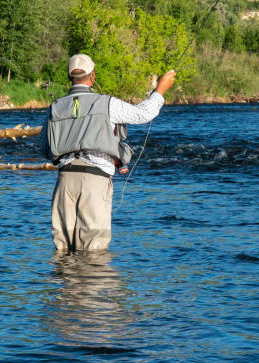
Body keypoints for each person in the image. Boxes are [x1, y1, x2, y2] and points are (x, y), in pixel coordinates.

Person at [43, 53, 175, 251]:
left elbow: (45, 149)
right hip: (95, 182)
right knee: (94, 251)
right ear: (92, 75)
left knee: (62, 250)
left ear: (70, 77)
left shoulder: (55, 107)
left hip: (64, 182)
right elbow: (143, 114)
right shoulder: (107, 104)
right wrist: (160, 90)